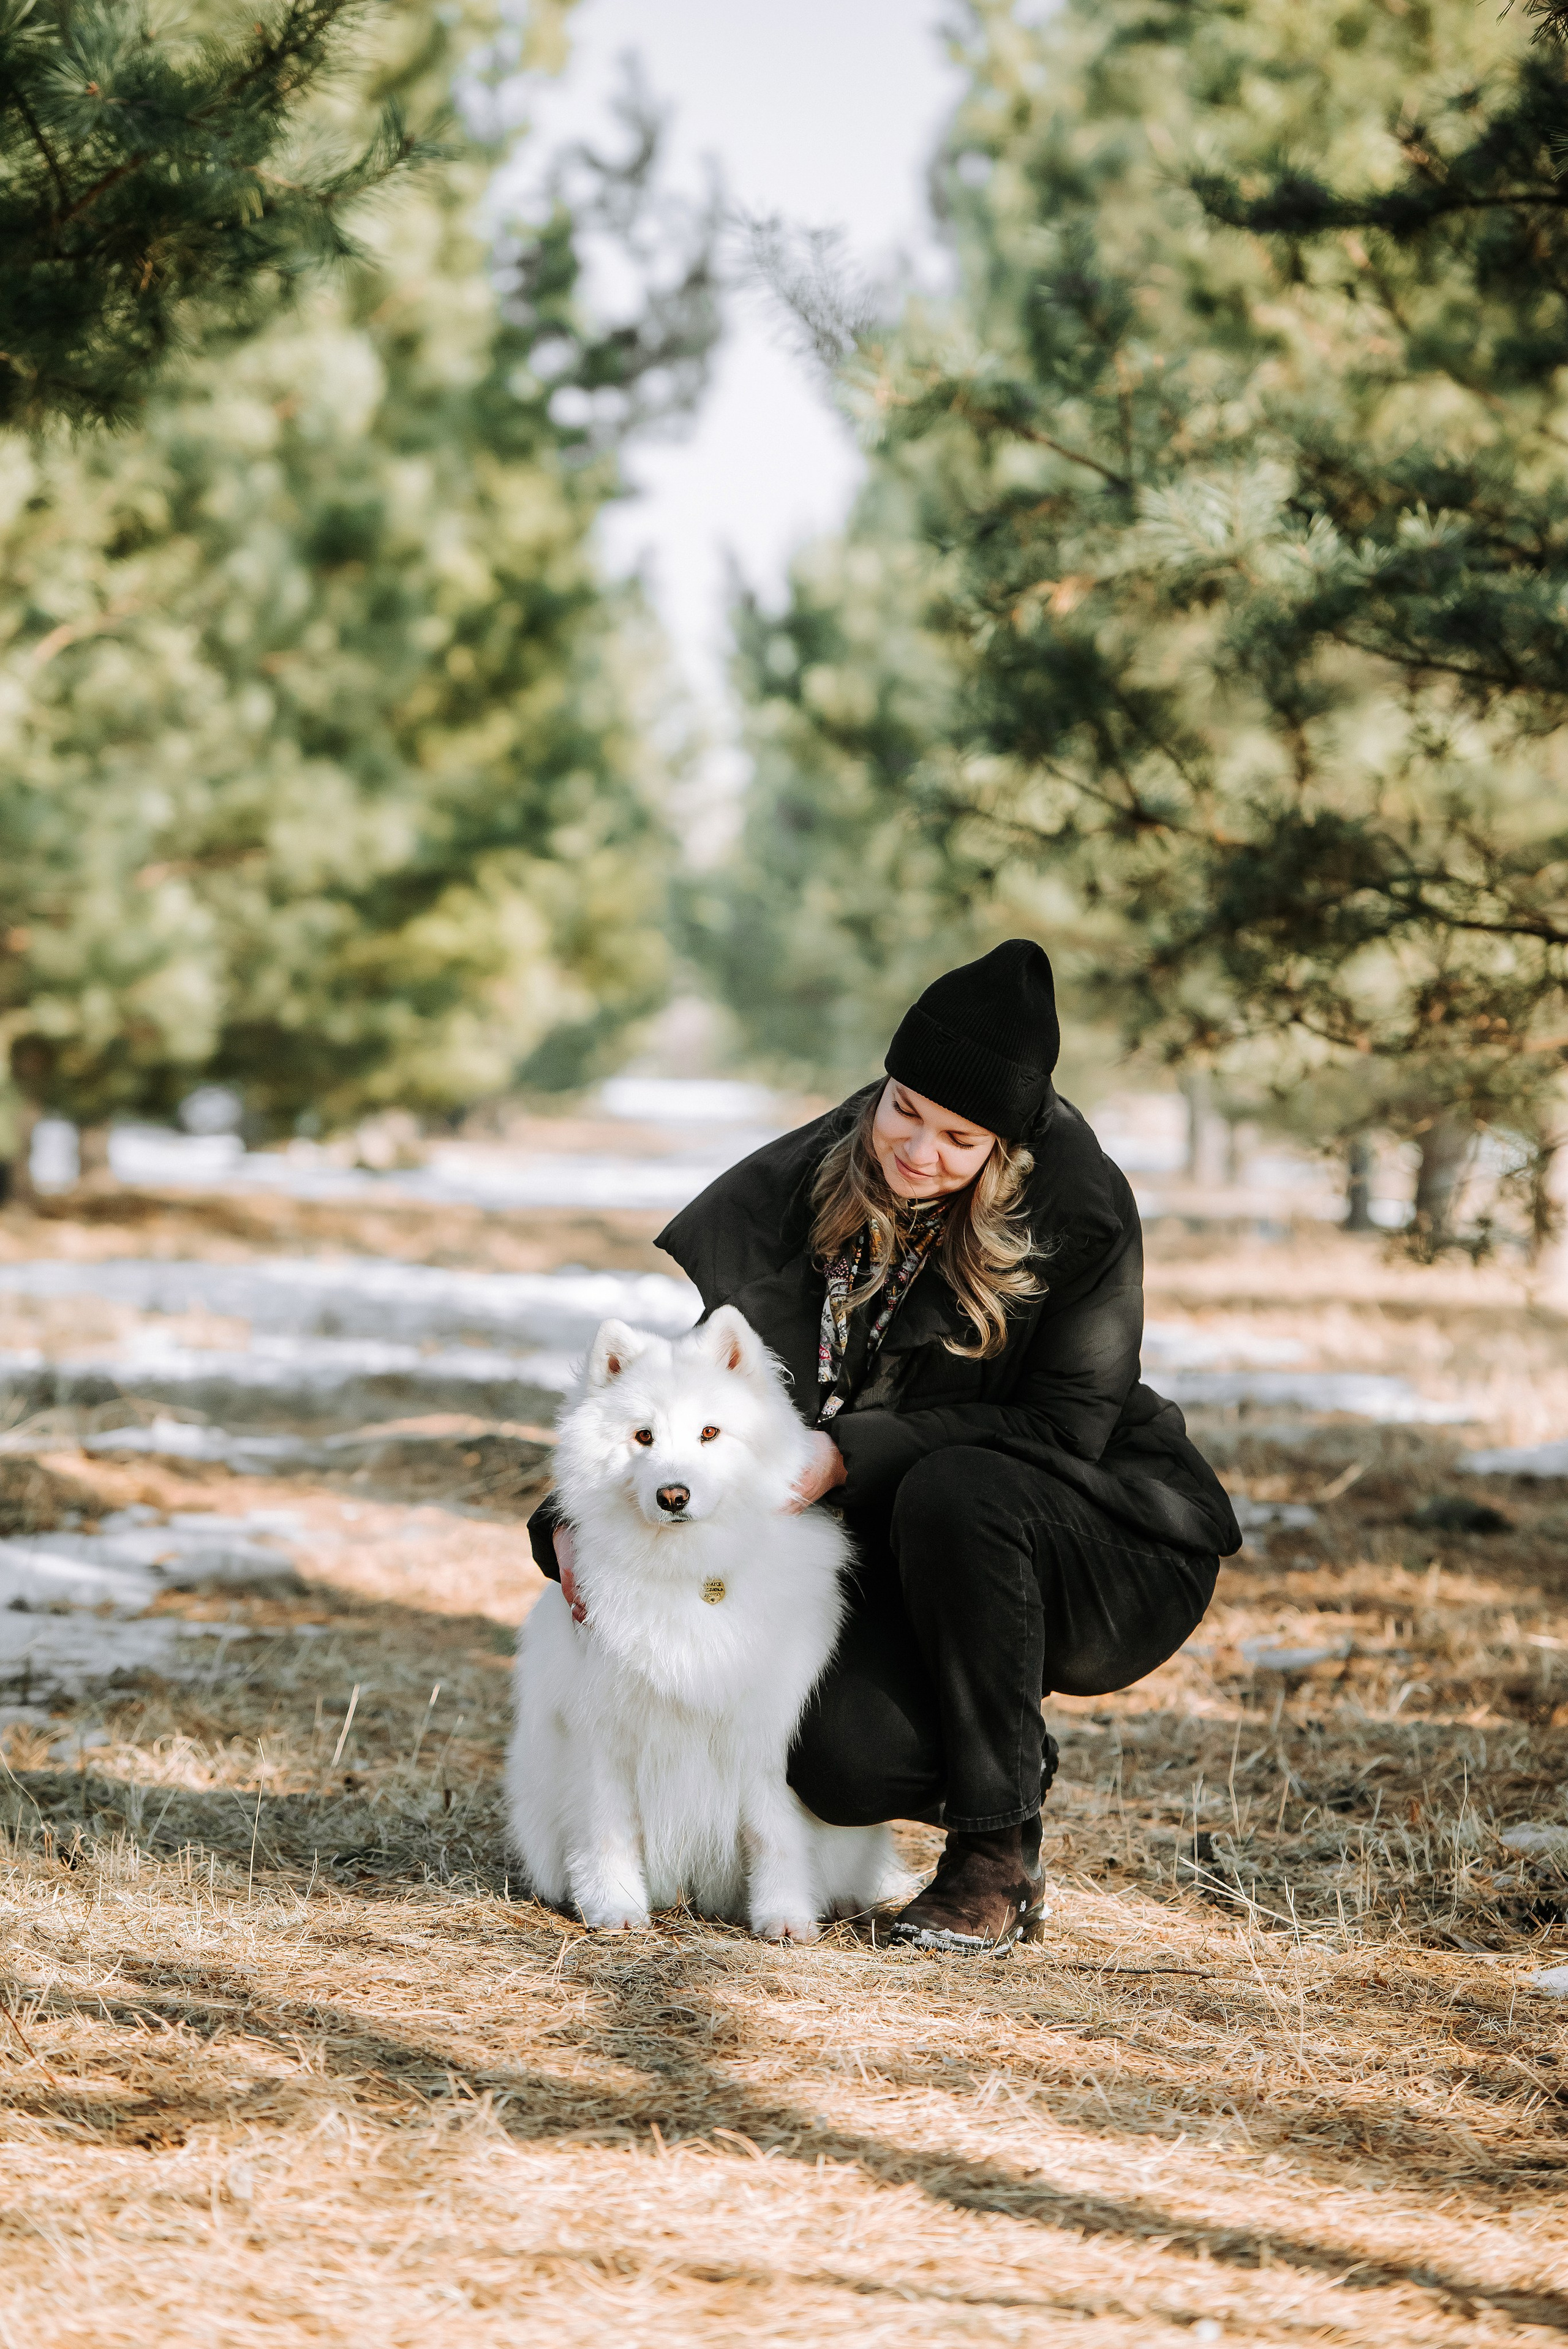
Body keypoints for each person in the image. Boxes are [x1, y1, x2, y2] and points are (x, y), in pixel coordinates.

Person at [529, 941, 1240, 1952]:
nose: (918, 1150)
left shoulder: (1079, 1212)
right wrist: (566, 1518)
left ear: (1007, 1145)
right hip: (918, 1551)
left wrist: (854, 1451)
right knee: (833, 1758)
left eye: (959, 1138)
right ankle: (994, 1739)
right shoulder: (815, 1178)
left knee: (959, 1486)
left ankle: (995, 1863)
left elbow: (1066, 1426)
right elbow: (708, 1399)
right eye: (904, 1109)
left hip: (1102, 1538)